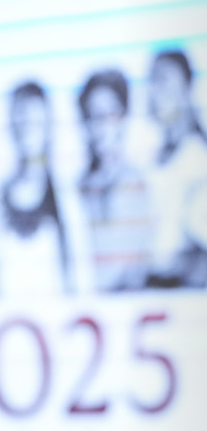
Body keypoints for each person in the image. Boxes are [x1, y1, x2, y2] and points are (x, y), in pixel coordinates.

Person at [76, 68, 153, 292]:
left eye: (107, 115)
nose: (99, 127)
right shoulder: (76, 189)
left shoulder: (140, 185)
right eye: (91, 116)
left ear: (123, 117)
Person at [0, 81, 73, 296]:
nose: (27, 131)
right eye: (22, 121)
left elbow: (77, 275)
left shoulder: (66, 199)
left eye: (35, 123)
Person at [145, 49, 207, 288]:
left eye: (163, 79)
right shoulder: (154, 158)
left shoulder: (198, 158)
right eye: (152, 80)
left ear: (187, 87)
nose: (155, 91)